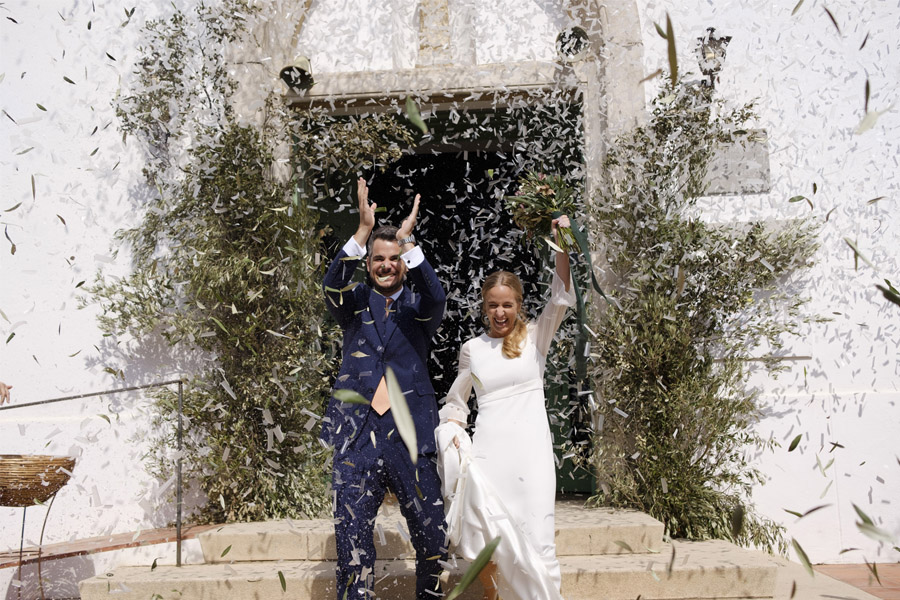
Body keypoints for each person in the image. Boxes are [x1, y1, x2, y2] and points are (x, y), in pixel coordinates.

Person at [320, 178, 448, 600]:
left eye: (395, 258)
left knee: (432, 539)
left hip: (409, 436)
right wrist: (361, 231)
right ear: (369, 262)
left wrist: (409, 241)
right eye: (378, 258)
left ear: (404, 263)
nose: (387, 265)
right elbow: (330, 286)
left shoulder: (419, 307)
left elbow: (436, 293)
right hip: (356, 437)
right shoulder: (353, 301)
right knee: (352, 546)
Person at [436, 215, 574, 600]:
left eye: (507, 305)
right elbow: (456, 404)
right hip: (489, 458)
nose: (500, 313)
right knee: (491, 546)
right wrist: (453, 439)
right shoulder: (472, 350)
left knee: (539, 538)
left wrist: (560, 241)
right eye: (493, 306)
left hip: (532, 458)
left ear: (518, 305)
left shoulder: (535, 338)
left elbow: (561, 296)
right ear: (484, 306)